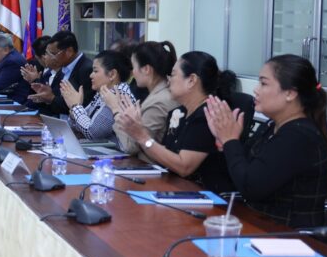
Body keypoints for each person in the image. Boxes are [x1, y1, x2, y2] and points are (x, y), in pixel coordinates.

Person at [205, 55, 327, 227]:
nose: (256, 90)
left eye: (264, 83)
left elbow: (250, 187)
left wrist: (230, 140)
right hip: (260, 224)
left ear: (290, 93)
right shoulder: (272, 126)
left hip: (290, 236)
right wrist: (224, 142)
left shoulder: (298, 136)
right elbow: (239, 174)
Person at [115, 51, 236, 193]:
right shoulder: (178, 113)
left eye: (173, 75)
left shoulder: (208, 115)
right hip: (172, 188)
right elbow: (166, 158)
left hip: (203, 196)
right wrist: (137, 129)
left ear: (191, 80)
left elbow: (183, 167)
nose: (168, 81)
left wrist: (142, 136)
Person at [107, 41, 178, 162]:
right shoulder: (159, 94)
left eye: (134, 67)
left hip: (150, 167)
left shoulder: (158, 101)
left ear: (146, 69)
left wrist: (116, 111)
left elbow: (131, 147)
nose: (133, 72)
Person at [61, 49, 134, 141]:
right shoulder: (104, 92)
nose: (91, 75)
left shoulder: (119, 95)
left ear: (112, 74)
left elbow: (93, 133)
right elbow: (79, 126)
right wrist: (74, 111)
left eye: (95, 71)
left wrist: (76, 106)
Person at [28, 30, 93, 116]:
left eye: (53, 53)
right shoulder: (63, 66)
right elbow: (56, 97)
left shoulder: (87, 70)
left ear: (69, 52)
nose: (50, 58)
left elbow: (81, 107)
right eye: (48, 53)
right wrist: (46, 95)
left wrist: (51, 98)